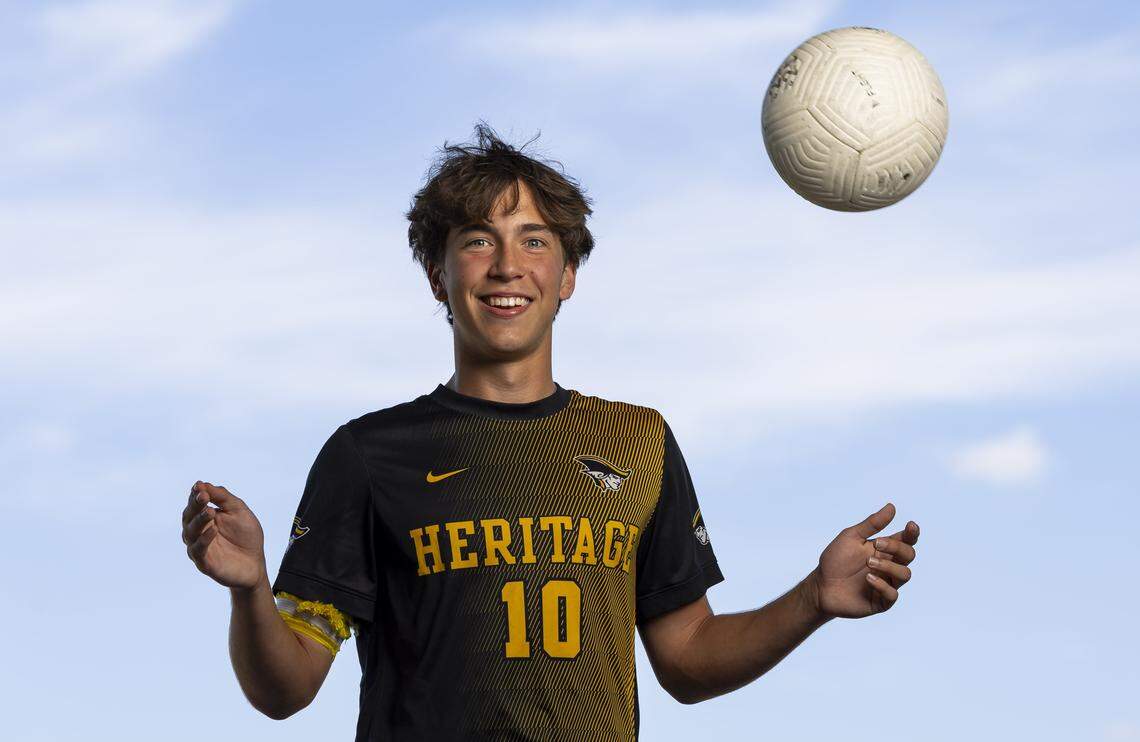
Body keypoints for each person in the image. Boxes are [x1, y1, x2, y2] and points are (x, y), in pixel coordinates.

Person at [181, 123, 921, 741]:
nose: (508, 266)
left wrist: (813, 600)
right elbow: (285, 690)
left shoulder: (639, 442)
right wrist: (250, 592)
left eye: (535, 242)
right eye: (478, 240)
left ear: (568, 274)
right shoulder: (368, 454)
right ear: (437, 276)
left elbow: (687, 660)